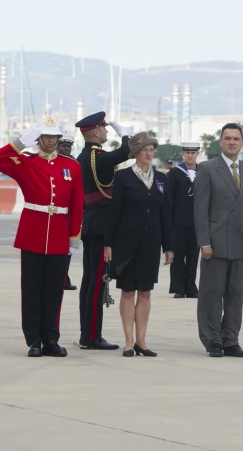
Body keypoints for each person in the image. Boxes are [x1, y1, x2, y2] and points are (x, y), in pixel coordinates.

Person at [0, 115, 84, 357]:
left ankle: (51, 338)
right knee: (31, 290)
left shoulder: (71, 166)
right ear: (39, 138)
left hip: (60, 234)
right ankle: (33, 340)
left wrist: (74, 237)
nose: (50, 140)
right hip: (33, 232)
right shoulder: (26, 162)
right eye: (46, 136)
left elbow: (77, 203)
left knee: (54, 291)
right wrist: (21, 142)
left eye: (54, 136)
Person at [194, 123, 243, 358]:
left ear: (242, 142)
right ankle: (212, 339)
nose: (232, 142)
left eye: (236, 138)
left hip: (242, 242)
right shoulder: (207, 168)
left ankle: (230, 339)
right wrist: (204, 243)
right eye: (227, 138)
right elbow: (200, 210)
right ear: (220, 142)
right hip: (216, 242)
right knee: (212, 294)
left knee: (235, 293)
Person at [104, 132, 174, 357]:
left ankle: (142, 341)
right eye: (145, 149)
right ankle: (128, 341)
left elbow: (166, 215)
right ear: (136, 152)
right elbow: (114, 214)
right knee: (128, 291)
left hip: (151, 244)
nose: (149, 153)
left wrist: (169, 246)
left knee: (145, 292)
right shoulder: (123, 177)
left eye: (152, 149)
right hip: (126, 243)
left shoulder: (162, 179)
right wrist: (108, 244)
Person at [75, 111, 131, 350]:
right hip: (101, 225)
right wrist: (126, 136)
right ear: (96, 132)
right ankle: (91, 337)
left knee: (90, 281)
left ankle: (88, 334)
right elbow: (126, 152)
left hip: (91, 222)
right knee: (97, 282)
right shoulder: (97, 156)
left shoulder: (83, 156)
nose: (107, 132)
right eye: (105, 129)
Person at [167, 142, 200, 299]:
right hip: (178, 222)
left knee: (193, 256)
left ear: (197, 154)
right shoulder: (175, 173)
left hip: (197, 222)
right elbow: (168, 198)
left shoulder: (203, 172)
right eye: (187, 153)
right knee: (178, 256)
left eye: (193, 153)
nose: (190, 155)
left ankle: (191, 287)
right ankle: (178, 288)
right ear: (183, 154)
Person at [57, 135, 78, 291]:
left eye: (68, 147)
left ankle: (64, 276)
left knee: (69, 247)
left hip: (71, 212)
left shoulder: (74, 164)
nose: (66, 149)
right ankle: (61, 277)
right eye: (63, 146)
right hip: (57, 210)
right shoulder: (53, 162)